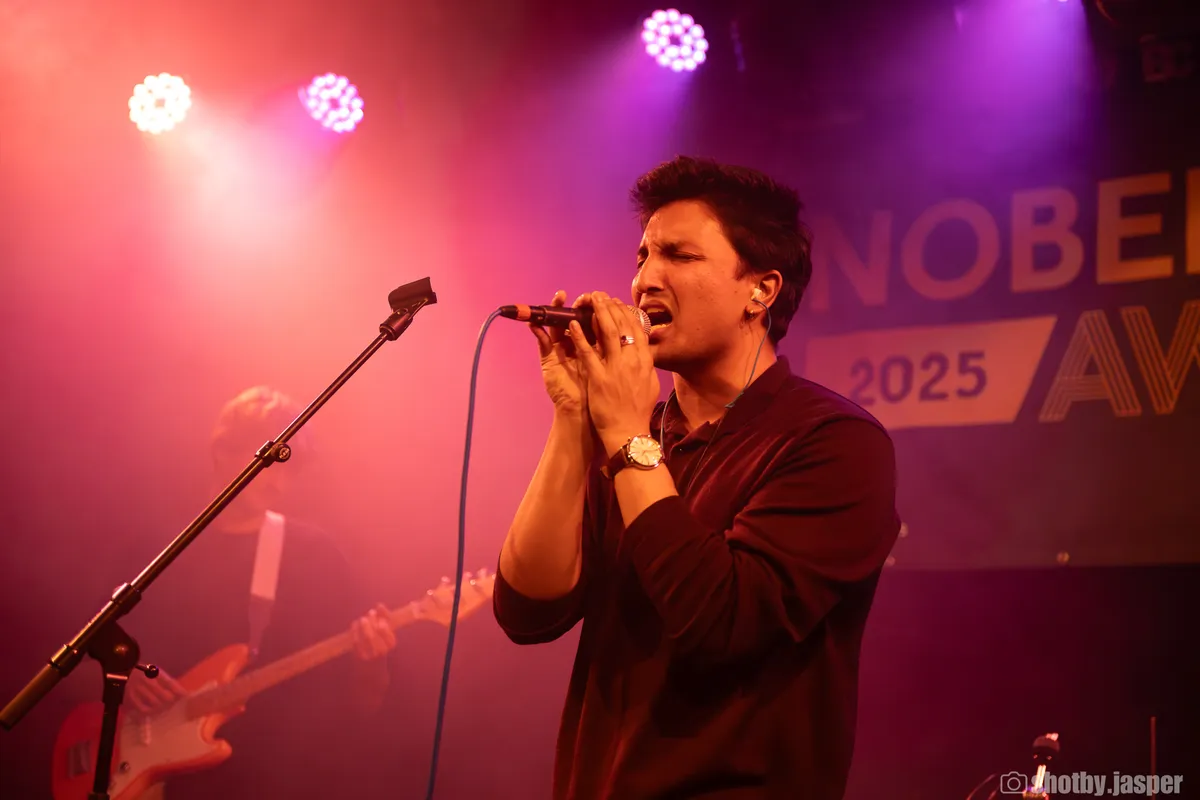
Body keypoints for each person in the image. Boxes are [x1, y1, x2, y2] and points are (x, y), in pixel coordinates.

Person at [493, 156, 900, 799]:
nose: (644, 280)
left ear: (761, 291)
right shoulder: (636, 433)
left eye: (679, 256)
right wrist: (574, 420)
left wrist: (624, 435)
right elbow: (527, 611)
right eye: (642, 256)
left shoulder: (835, 441)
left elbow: (721, 621)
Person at [119, 386, 397, 799]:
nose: (281, 483)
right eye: (274, 462)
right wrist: (122, 676)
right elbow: (81, 653)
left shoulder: (314, 556)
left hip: (270, 782)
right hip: (149, 776)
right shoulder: (161, 548)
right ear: (222, 450)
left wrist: (372, 662)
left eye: (292, 470)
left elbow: (365, 704)